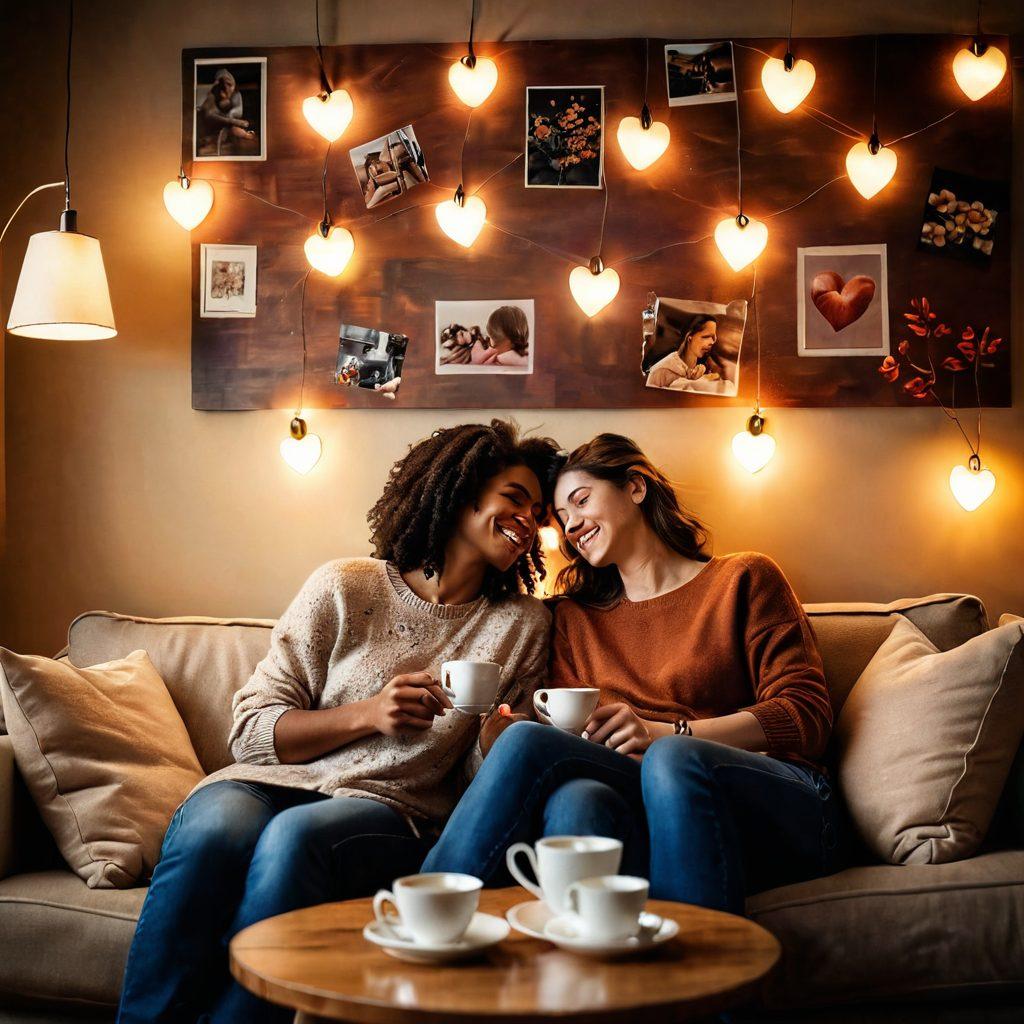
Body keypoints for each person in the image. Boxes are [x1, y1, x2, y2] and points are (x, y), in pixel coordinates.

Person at [117, 420, 562, 1024]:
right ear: (461, 493)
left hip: (390, 808)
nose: (528, 520)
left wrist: (491, 740)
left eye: (538, 512)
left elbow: (476, 787)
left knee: (295, 838)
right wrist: (369, 714)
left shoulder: (522, 625)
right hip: (264, 783)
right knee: (213, 831)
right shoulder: (344, 587)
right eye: (515, 498)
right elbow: (250, 733)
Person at [422, 433, 840, 915]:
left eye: (581, 501)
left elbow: (806, 716)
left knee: (672, 758)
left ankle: (425, 908)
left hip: (779, 806)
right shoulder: (575, 621)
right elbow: (569, 739)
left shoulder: (744, 578)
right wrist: (504, 730)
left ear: (636, 487)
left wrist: (666, 733)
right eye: (562, 517)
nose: (572, 525)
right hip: (644, 801)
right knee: (575, 796)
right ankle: (573, 948)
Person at [645, 314, 726, 389]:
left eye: (713, 338)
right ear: (689, 337)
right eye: (706, 337)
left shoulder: (706, 370)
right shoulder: (662, 371)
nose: (711, 342)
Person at [196, 68, 256, 156]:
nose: (226, 89)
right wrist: (232, 121)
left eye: (229, 84)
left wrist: (232, 118)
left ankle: (246, 135)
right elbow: (208, 114)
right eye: (222, 85)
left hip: (225, 127)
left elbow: (237, 112)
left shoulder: (236, 95)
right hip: (209, 127)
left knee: (232, 130)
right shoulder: (212, 95)